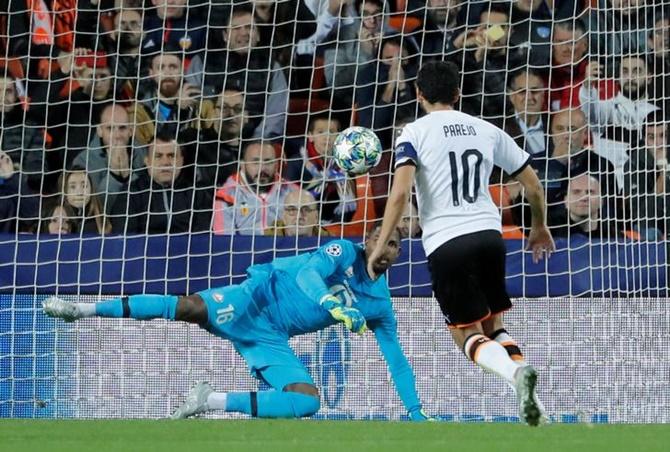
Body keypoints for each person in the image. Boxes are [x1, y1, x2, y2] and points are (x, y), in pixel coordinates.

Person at [43, 225, 433, 421]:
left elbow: (395, 359)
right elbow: (307, 276)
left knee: (307, 400)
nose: (386, 248)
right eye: (380, 238)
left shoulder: (379, 304)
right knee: (190, 308)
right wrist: (332, 303)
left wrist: (415, 411)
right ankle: (83, 310)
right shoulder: (342, 250)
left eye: (395, 243)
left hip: (272, 336)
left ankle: (207, 400)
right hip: (257, 297)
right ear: (367, 239)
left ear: (400, 253)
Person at [367, 60, 555, 427]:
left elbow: (401, 193)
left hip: (447, 243)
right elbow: (533, 185)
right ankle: (531, 398)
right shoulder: (487, 129)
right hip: (490, 237)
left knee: (466, 334)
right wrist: (539, 227)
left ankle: (519, 375)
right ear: (457, 93)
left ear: (419, 95)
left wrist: (380, 245)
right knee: (493, 327)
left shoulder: (412, 133)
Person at [264, 188, 330, 237]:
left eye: (306, 210)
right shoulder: (265, 241)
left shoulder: (329, 242)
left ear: (316, 217)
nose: (299, 216)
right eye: (292, 210)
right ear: (284, 217)